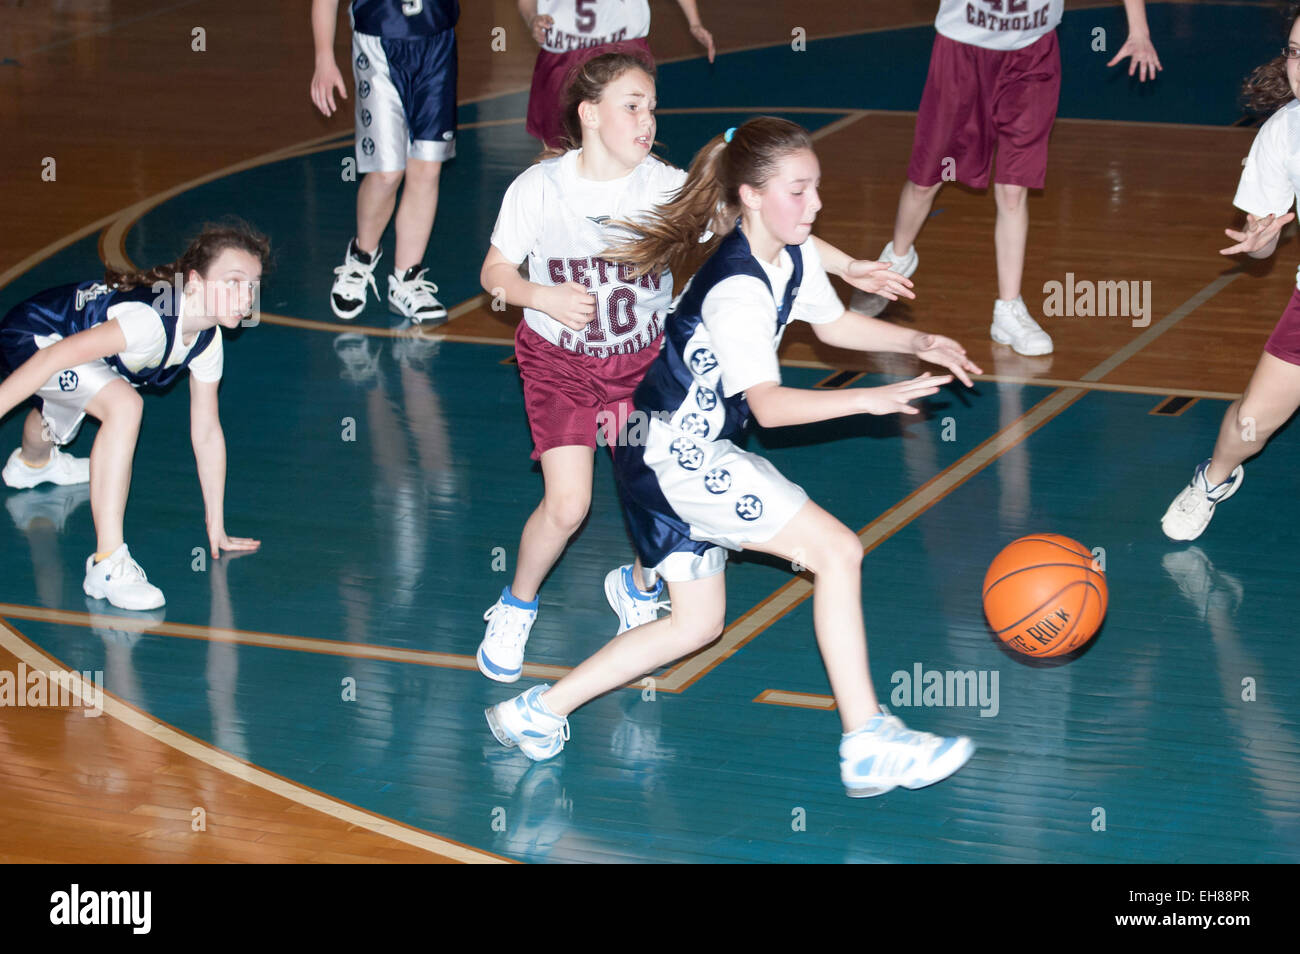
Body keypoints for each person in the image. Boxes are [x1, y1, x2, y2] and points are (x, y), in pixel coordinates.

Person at [486, 117, 983, 798]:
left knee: (697, 623)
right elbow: (772, 408)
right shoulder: (738, 288)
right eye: (798, 191)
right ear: (751, 195)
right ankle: (866, 740)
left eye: (815, 190)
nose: (814, 206)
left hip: (664, 452)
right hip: (676, 458)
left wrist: (920, 340)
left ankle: (535, 712)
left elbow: (832, 323)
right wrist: (869, 401)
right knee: (838, 552)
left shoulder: (789, 253)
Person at [477, 54, 916, 684]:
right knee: (568, 506)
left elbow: (761, 222)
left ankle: (636, 584)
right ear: (589, 114)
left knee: (654, 486)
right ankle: (516, 603)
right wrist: (539, 295)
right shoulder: (539, 189)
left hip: (640, 364)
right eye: (632, 106)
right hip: (561, 364)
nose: (647, 120)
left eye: (652, 108)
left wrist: (848, 269)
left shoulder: (663, 186)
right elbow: (494, 273)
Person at [852, 0, 1161, 356]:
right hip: (962, 52)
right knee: (927, 180)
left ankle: (1008, 310)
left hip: (1033, 54)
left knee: (1014, 190)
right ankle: (898, 256)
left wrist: (1139, 30)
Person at [0, 222, 268, 610]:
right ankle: (107, 565)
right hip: (35, 335)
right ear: (194, 283)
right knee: (124, 404)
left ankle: (32, 464)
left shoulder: (208, 340)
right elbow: (52, 358)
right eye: (232, 281)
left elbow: (207, 432)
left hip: (70, 348)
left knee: (70, 402)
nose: (245, 296)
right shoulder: (150, 323)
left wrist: (217, 523)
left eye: (251, 285)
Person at [1162, 16, 1300, 540]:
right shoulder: (1284, 132)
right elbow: (1261, 249)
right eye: (1293, 51)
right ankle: (1212, 481)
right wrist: (1260, 236)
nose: (1299, 66)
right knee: (1251, 424)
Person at [310, 0, 459, 323]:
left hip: (436, 44)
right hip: (378, 43)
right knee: (387, 172)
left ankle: (406, 279)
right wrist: (324, 56)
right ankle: (361, 256)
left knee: (428, 167)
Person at [518, 0, 714, 151]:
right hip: (562, 54)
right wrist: (532, 18)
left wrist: (694, 21)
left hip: (622, 51)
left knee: (628, 142)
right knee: (557, 148)